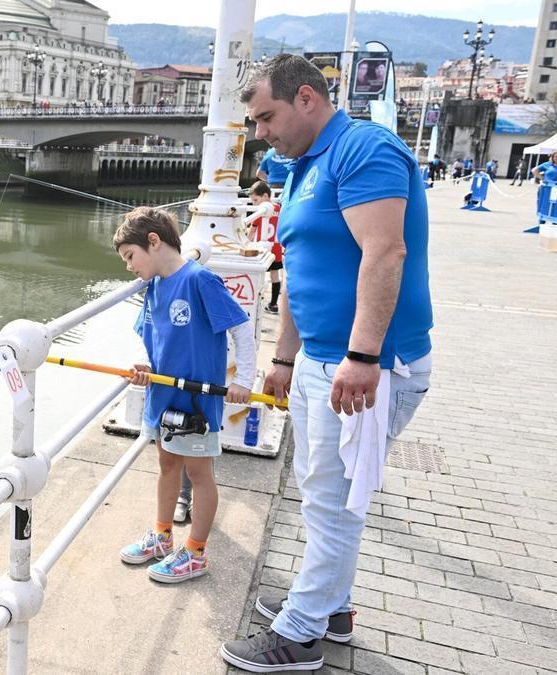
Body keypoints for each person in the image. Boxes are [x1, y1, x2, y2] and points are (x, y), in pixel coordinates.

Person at [223, 54, 433, 672]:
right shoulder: (304, 165)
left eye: (266, 117)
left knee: (334, 499)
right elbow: (301, 268)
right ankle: (331, 606)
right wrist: (283, 357)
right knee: (320, 491)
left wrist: (364, 355)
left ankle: (301, 633)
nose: (260, 132)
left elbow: (385, 253)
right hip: (320, 360)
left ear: (307, 97)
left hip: (367, 365)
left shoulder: (364, 150)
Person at [113, 207, 255, 585]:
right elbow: (149, 337)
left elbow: (241, 328)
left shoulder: (199, 280)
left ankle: (195, 552)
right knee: (166, 464)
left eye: (131, 256)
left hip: (196, 400)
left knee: (199, 471)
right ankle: (162, 536)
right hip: (162, 397)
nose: (129, 267)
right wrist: (144, 365)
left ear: (154, 242)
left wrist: (244, 379)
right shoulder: (154, 287)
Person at [245, 180, 283, 314]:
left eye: (256, 200)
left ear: (266, 196)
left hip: (263, 247)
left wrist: (245, 244)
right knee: (275, 276)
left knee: (258, 274)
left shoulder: (261, 211)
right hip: (277, 247)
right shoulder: (279, 209)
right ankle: (273, 304)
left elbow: (252, 230)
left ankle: (255, 302)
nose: (254, 204)